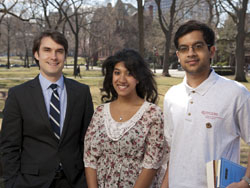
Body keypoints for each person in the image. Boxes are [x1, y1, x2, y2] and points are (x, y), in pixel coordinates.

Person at [160, 20, 250, 188]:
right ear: (178, 55)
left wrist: (246, 181)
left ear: (211, 51)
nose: (191, 53)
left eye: (198, 46)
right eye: (184, 48)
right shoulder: (171, 96)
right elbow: (174, 150)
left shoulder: (236, 93)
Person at [0, 30, 94, 188]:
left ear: (65, 55)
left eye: (59, 51)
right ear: (36, 54)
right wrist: (12, 183)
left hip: (75, 181)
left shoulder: (82, 93)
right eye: (47, 50)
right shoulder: (18, 95)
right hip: (31, 182)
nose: (54, 57)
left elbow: (89, 143)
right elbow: (10, 146)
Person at [84, 48, 168, 187]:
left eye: (129, 74)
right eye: (117, 73)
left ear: (139, 78)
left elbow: (151, 164)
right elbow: (90, 158)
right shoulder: (100, 112)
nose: (122, 79)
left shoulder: (152, 114)